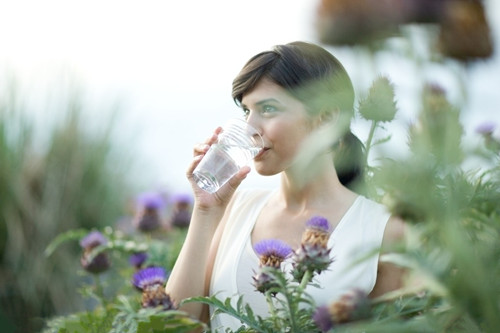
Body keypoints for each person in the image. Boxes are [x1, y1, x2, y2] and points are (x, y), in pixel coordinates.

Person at [165, 41, 406, 331]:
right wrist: (206, 209)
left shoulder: (384, 229)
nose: (250, 128)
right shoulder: (235, 210)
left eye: (268, 109)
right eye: (246, 111)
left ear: (326, 118)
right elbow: (175, 325)